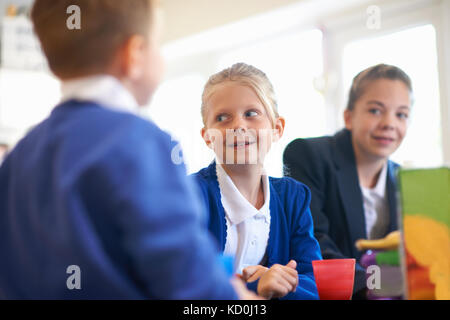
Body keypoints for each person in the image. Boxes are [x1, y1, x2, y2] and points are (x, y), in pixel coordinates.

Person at [0, 0, 254, 299]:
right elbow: (186, 278)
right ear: (134, 55)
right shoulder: (143, 142)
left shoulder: (18, 157)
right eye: (156, 44)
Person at [191, 63, 322, 300]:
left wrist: (277, 282)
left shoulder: (293, 197)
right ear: (208, 137)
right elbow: (184, 288)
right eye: (222, 118)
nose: (238, 126)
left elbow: (314, 283)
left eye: (251, 114)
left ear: (277, 128)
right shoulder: (188, 196)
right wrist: (257, 286)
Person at [283, 64, 413, 298]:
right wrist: (382, 285)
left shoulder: (405, 180)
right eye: (375, 110)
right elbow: (314, 245)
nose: (389, 123)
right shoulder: (308, 155)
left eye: (401, 114)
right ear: (349, 117)